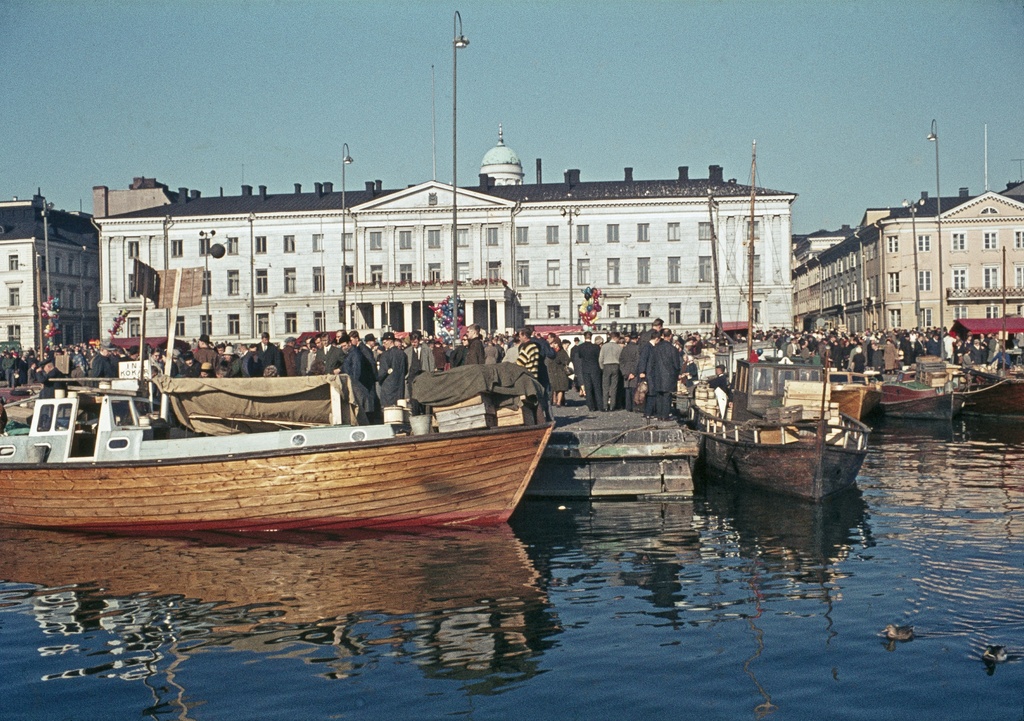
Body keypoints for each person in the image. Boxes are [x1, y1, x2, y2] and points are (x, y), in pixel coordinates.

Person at [642, 328, 681, 421]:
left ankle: (659, 414)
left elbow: (651, 363)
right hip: (669, 376)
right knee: (667, 396)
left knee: (659, 395)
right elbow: (676, 364)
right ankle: (665, 415)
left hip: (657, 375)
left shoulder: (655, 348)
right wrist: (677, 374)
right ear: (670, 336)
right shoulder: (672, 349)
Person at [404, 331, 435, 415]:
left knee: (423, 398)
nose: (414, 344)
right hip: (411, 378)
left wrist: (431, 376)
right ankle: (415, 416)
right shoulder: (407, 352)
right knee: (413, 400)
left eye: (416, 341)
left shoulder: (427, 350)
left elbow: (431, 364)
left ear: (419, 340)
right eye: (412, 342)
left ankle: (425, 414)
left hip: (423, 377)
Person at [376, 332, 408, 408]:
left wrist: (379, 379)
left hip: (388, 387)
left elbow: (382, 373)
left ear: (390, 341)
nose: (383, 344)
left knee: (389, 411)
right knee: (399, 409)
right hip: (400, 385)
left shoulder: (385, 355)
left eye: (384, 342)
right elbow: (406, 369)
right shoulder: (403, 354)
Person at [574, 332, 603, 412]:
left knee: (588, 388)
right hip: (595, 368)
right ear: (591, 337)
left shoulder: (580, 347)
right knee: (597, 388)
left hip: (585, 369)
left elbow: (580, 357)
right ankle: (600, 405)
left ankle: (591, 406)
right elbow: (598, 357)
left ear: (584, 337)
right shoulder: (596, 347)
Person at [599, 331, 623, 411]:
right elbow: (621, 359)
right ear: (615, 338)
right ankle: (613, 405)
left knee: (605, 387)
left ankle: (605, 406)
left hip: (606, 365)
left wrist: (602, 367)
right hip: (616, 366)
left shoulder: (604, 346)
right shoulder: (619, 347)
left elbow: (600, 359)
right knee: (614, 387)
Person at [546, 338, 571, 407]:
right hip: (552, 372)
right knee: (554, 387)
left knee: (561, 388)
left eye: (555, 343)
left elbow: (567, 360)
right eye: (553, 343)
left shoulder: (562, 352)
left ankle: (558, 402)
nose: (554, 345)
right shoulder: (550, 352)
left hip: (561, 371)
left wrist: (562, 362)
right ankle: (554, 400)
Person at [619, 333, 640, 412]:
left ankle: (628, 406)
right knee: (634, 389)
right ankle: (634, 406)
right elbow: (638, 361)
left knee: (627, 389)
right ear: (636, 339)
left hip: (626, 370)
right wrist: (633, 373)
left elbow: (621, 360)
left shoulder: (625, 348)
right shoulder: (637, 348)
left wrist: (624, 372)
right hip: (633, 370)